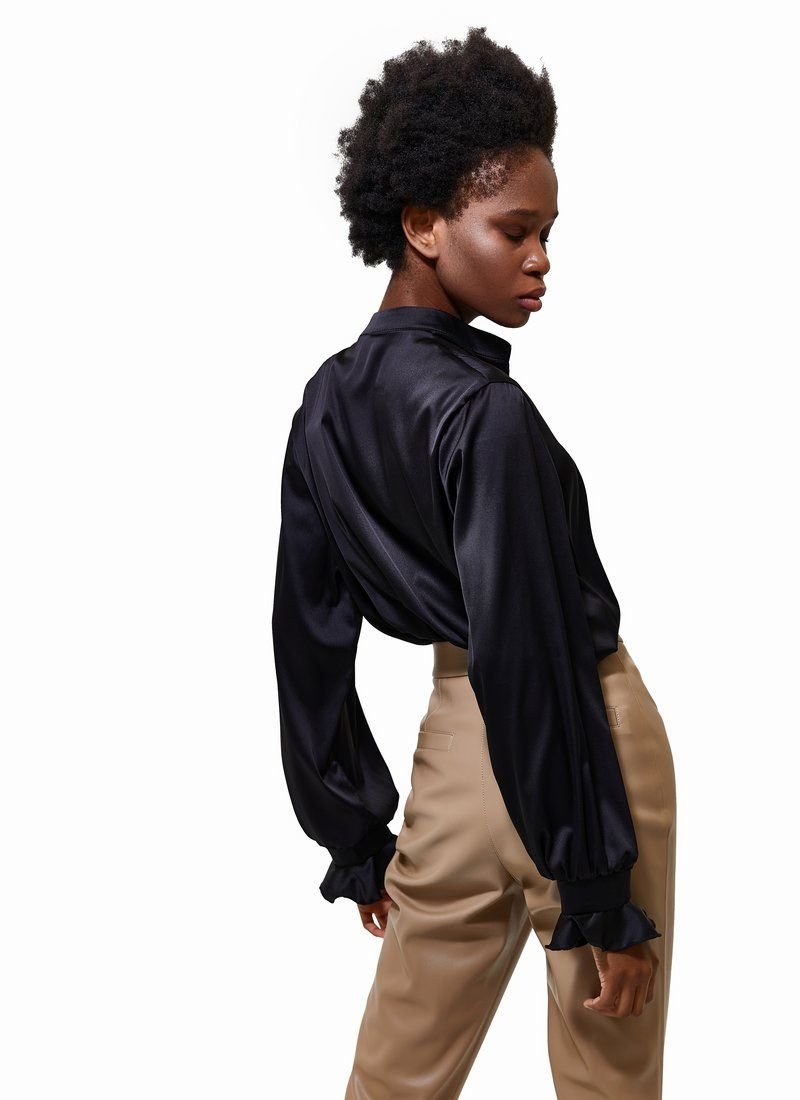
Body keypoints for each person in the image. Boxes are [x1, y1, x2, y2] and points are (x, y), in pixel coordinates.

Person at [271, 26, 677, 1100]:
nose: (540, 259)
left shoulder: (324, 406)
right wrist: (597, 887)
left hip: (450, 763)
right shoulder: (487, 414)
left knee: (393, 1079)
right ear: (421, 225)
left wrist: (355, 834)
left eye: (546, 232)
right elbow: (530, 649)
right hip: (582, 747)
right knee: (607, 1078)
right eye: (515, 229)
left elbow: (307, 641)